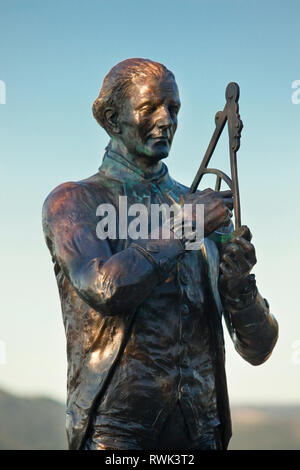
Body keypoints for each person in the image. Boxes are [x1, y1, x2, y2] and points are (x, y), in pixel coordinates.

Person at [42, 58, 278, 450]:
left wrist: (240, 288)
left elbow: (258, 348)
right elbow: (105, 289)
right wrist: (186, 227)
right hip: (116, 433)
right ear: (113, 118)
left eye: (173, 108)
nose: (166, 119)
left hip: (203, 429)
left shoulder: (201, 207)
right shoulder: (73, 201)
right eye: (149, 107)